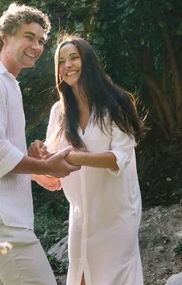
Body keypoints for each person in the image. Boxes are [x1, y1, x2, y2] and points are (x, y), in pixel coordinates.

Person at [0, 4, 80, 285]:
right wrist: (46, 165)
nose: (36, 46)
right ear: (5, 36)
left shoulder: (8, 83)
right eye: (29, 36)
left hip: (0, 214)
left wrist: (29, 156)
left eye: (41, 41)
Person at [40, 35, 145, 285]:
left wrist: (78, 157)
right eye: (61, 61)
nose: (67, 66)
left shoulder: (115, 101)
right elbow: (53, 161)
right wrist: (39, 154)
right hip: (81, 213)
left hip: (116, 212)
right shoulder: (60, 111)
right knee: (81, 277)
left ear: (88, 61)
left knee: (117, 278)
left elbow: (120, 158)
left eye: (74, 58)